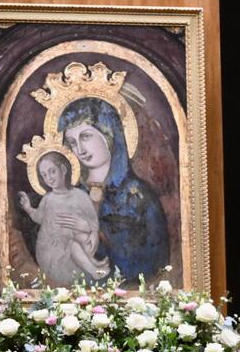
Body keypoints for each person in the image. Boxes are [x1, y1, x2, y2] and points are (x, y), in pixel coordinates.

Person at [57, 97, 169, 286]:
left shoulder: (139, 197)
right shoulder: (70, 195)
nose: (80, 149)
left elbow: (155, 261)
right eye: (72, 142)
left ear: (109, 134)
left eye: (85, 137)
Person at [18, 151, 110, 286]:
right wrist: (28, 208)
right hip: (52, 249)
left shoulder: (80, 196)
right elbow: (39, 217)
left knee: (83, 238)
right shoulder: (48, 199)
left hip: (73, 240)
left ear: (63, 169)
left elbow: (92, 221)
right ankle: (93, 270)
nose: (49, 178)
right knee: (73, 244)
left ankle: (93, 262)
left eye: (52, 171)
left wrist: (86, 227)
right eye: (44, 175)